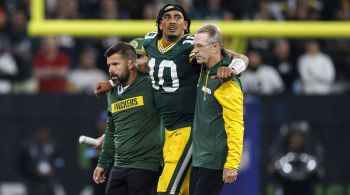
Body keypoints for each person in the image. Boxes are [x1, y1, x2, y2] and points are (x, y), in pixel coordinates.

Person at [94, 4, 249, 194]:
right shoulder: (149, 42)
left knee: (167, 189)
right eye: (168, 17)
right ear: (159, 24)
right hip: (163, 128)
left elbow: (240, 57)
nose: (173, 21)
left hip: (186, 129)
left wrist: (234, 68)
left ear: (186, 25)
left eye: (178, 17)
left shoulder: (192, 46)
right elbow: (133, 64)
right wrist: (112, 82)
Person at [93, 42, 161, 195]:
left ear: (131, 63)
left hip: (146, 165)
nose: (111, 69)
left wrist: (149, 66)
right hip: (119, 165)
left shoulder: (151, 84)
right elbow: (112, 129)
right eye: (109, 65)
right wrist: (103, 163)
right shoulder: (112, 94)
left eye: (116, 64)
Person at [190, 24, 244, 195]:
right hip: (198, 158)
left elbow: (235, 125)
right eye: (194, 46)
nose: (195, 51)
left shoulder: (226, 81)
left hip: (213, 161)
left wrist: (232, 164)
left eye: (199, 46)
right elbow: (241, 57)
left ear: (214, 47)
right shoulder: (203, 69)